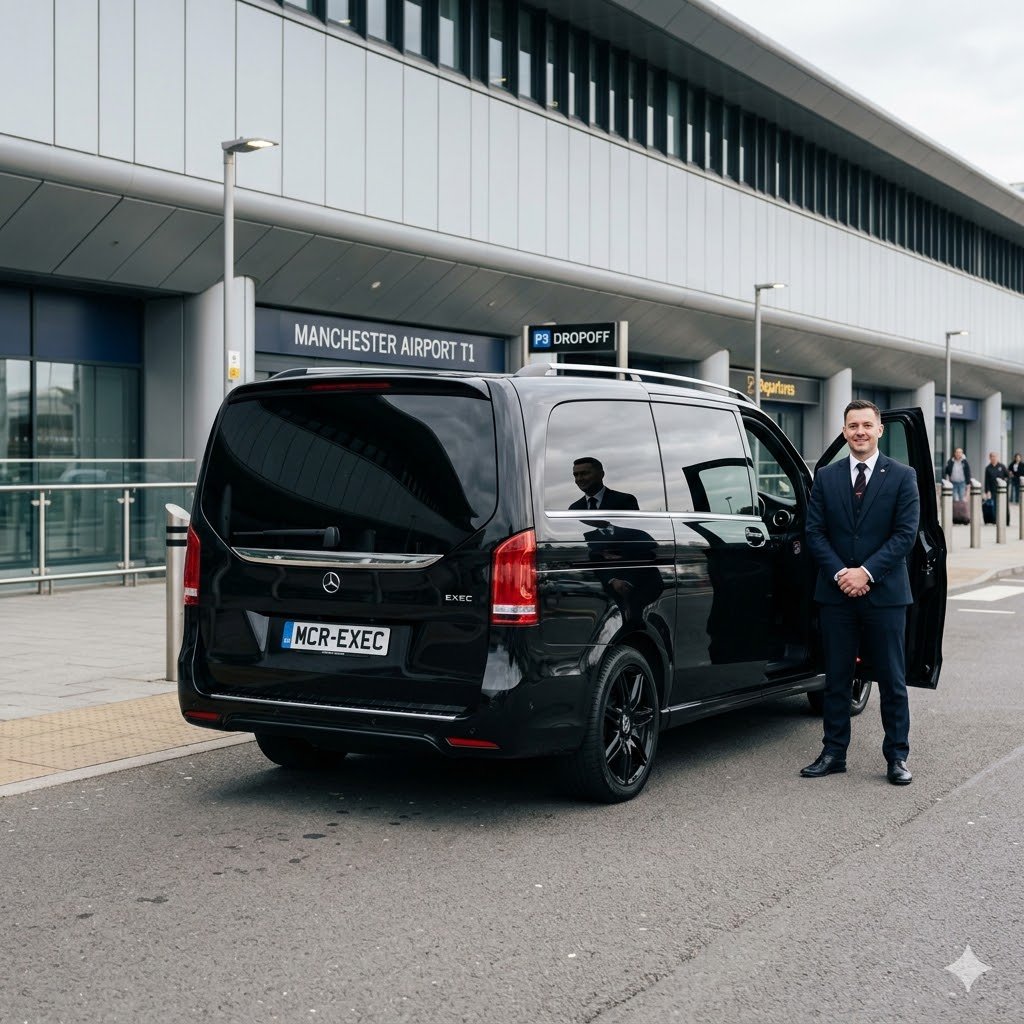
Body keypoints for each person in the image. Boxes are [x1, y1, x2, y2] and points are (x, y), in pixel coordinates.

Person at [801, 400, 919, 786]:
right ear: (844, 431)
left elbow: (905, 534)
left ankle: (897, 756)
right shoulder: (826, 477)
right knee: (836, 678)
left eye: (867, 425)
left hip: (885, 595)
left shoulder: (903, 476)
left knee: (892, 679)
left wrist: (865, 573)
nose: (860, 432)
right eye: (853, 426)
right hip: (836, 594)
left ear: (880, 430)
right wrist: (841, 574)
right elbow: (815, 532)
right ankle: (833, 752)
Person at [569, 457, 639, 511]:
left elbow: (633, 525)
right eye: (576, 475)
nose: (579, 479)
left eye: (584, 473)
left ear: (601, 474)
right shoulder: (574, 509)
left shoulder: (625, 501)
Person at [983, 452, 1009, 523]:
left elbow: (1007, 476)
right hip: (992, 489)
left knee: (1003, 505)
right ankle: (995, 520)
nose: (993, 458)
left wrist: (1004, 482)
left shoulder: (1002, 466)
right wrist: (987, 491)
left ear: (997, 457)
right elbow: (986, 480)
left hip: (1002, 490)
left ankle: (1005, 520)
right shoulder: (988, 468)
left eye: (995, 456)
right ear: (990, 458)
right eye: (992, 456)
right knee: (994, 505)